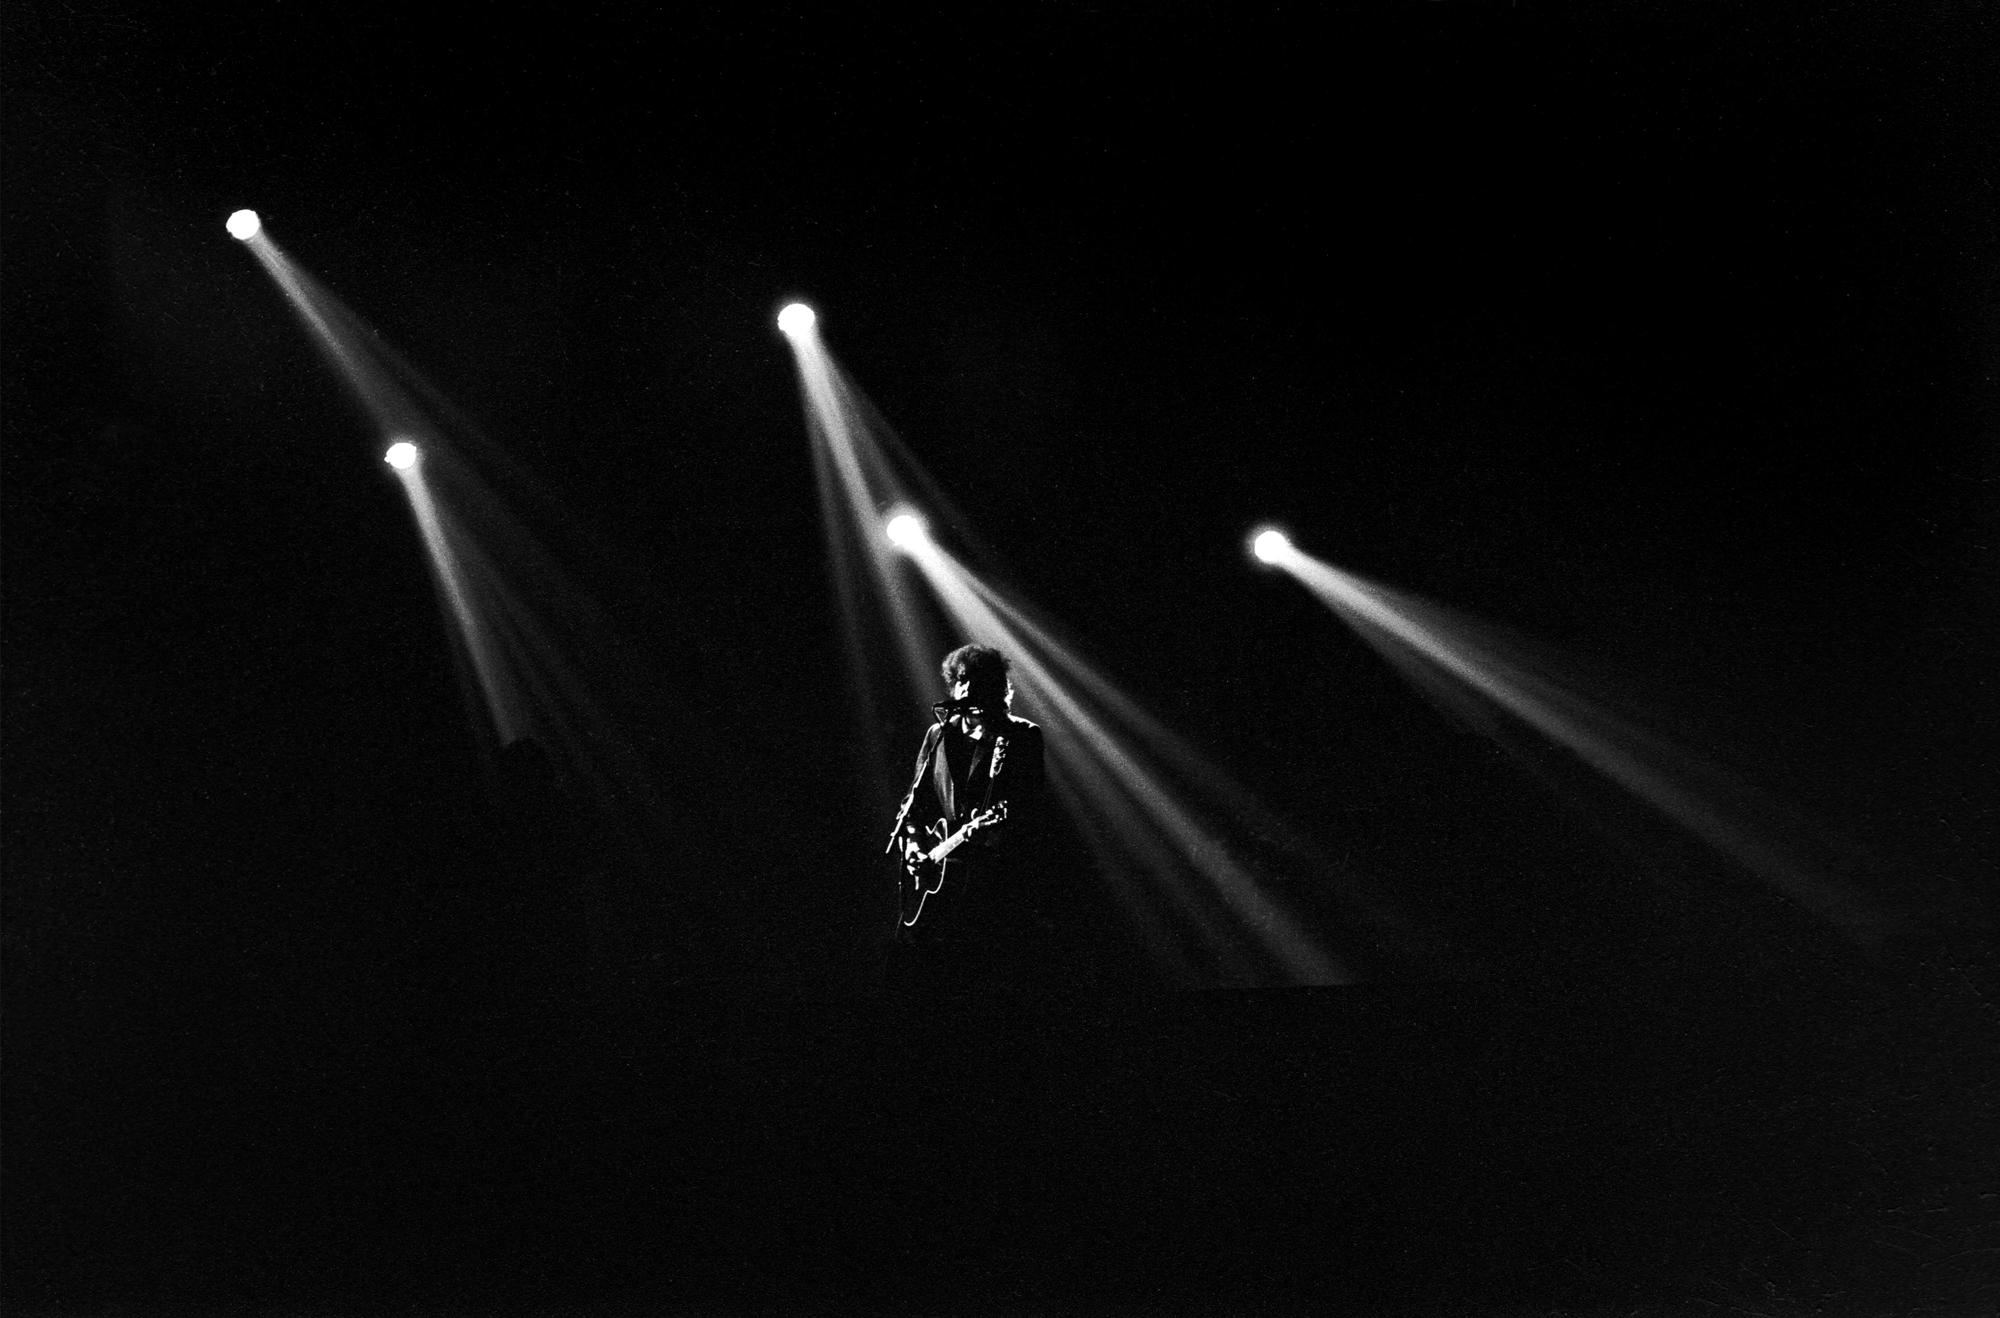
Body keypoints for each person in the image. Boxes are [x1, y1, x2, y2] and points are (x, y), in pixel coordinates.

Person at [885, 644, 1048, 994]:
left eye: (979, 681)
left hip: (992, 888)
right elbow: (913, 806)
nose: (969, 688)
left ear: (998, 689)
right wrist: (913, 846)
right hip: (936, 890)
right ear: (954, 686)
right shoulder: (938, 735)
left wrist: (992, 833)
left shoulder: (1020, 737)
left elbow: (1030, 811)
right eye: (963, 679)